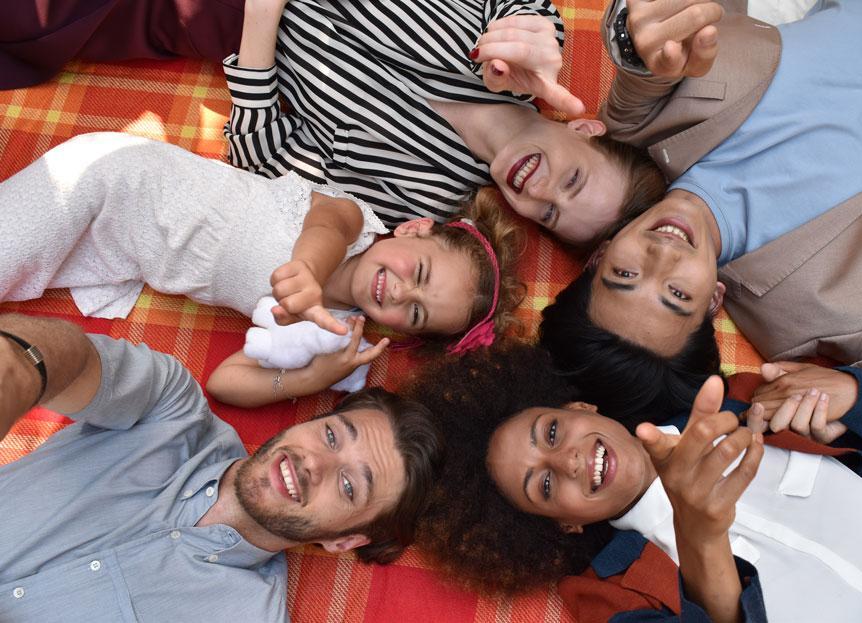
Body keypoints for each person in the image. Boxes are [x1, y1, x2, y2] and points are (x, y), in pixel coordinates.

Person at [541, 0, 862, 420]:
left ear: (599, 256)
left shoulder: (636, 136)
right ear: (712, 301)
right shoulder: (806, 318)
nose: (663, 255)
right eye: (677, 294)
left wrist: (642, 29)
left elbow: (649, 49)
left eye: (625, 274)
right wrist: (861, 392)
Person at [0, 0, 667, 244]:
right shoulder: (530, 36)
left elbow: (267, 162)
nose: (540, 192)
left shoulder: (420, 199)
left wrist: (259, 25)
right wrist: (526, 41)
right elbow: (533, 31)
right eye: (573, 181)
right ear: (585, 131)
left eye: (549, 215)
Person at [410, 344, 862, 622]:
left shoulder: (742, 402)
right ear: (565, 524)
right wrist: (701, 537)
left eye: (551, 431)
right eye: (543, 486)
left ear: (579, 406)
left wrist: (856, 392)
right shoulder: (607, 594)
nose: (567, 460)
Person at [0, 132, 524, 393]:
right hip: (118, 180)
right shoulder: (354, 219)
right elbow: (324, 231)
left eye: (416, 313)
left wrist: (317, 376)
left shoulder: (333, 336)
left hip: (125, 252)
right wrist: (309, 272)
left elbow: (226, 382)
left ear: (402, 334)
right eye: (422, 273)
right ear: (414, 229)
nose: (403, 292)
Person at [0, 312, 443, 620]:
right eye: (331, 435)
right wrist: (21, 370)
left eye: (348, 486)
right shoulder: (171, 407)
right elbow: (72, 363)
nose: (315, 463)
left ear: (345, 541)